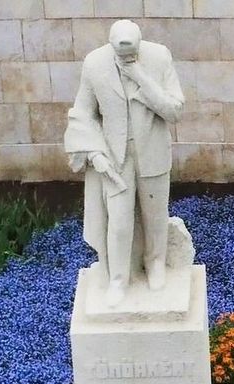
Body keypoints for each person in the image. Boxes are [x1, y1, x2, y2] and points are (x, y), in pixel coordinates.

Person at [64, 20, 185, 305]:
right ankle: (118, 278)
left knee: (155, 215)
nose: (126, 57)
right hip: (115, 157)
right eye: (121, 54)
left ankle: (155, 264)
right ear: (110, 46)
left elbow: (175, 111)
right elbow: (82, 113)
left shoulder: (159, 56)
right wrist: (94, 154)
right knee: (118, 221)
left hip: (153, 151)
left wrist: (139, 75)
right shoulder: (95, 63)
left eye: (131, 53)